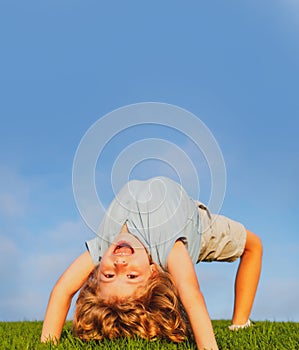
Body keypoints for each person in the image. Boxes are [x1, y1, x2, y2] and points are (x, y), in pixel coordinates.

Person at [41, 176, 263, 350]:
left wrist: (47, 344)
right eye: (131, 277)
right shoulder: (170, 249)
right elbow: (191, 293)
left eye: (108, 275)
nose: (119, 264)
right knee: (254, 246)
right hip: (196, 225)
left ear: (97, 272)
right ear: (154, 272)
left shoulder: (102, 248)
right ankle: (240, 324)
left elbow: (62, 290)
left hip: (174, 210)